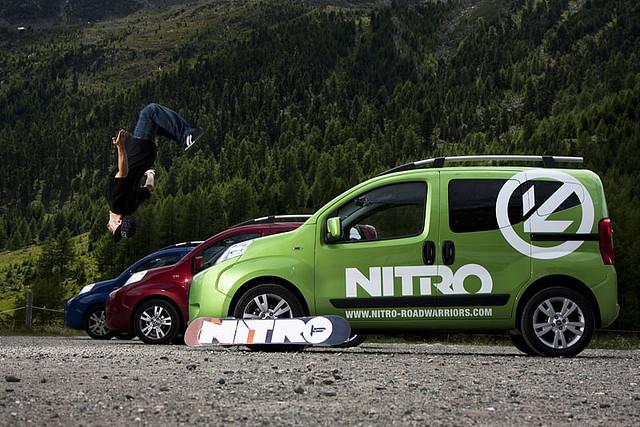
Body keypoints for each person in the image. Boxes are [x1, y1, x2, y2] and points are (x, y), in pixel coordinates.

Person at [105, 103, 204, 241]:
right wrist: (120, 147)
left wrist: (150, 173)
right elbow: (123, 172)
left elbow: (149, 188)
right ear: (119, 221)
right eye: (114, 230)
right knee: (150, 112)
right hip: (139, 150)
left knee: (155, 123)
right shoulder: (116, 203)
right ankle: (185, 136)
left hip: (147, 157)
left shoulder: (130, 207)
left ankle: (182, 138)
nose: (110, 230)